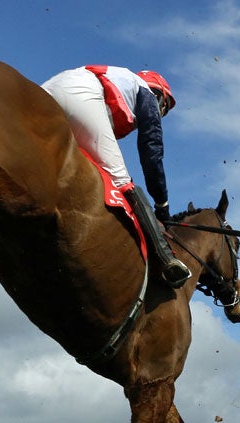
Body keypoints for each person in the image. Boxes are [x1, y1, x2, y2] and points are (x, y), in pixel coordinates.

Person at [41, 65, 191, 289]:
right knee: (121, 180)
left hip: (48, 89)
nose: (161, 114)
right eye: (164, 109)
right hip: (79, 94)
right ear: (159, 95)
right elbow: (152, 153)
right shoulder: (147, 94)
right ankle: (166, 259)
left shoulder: (123, 85)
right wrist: (162, 203)